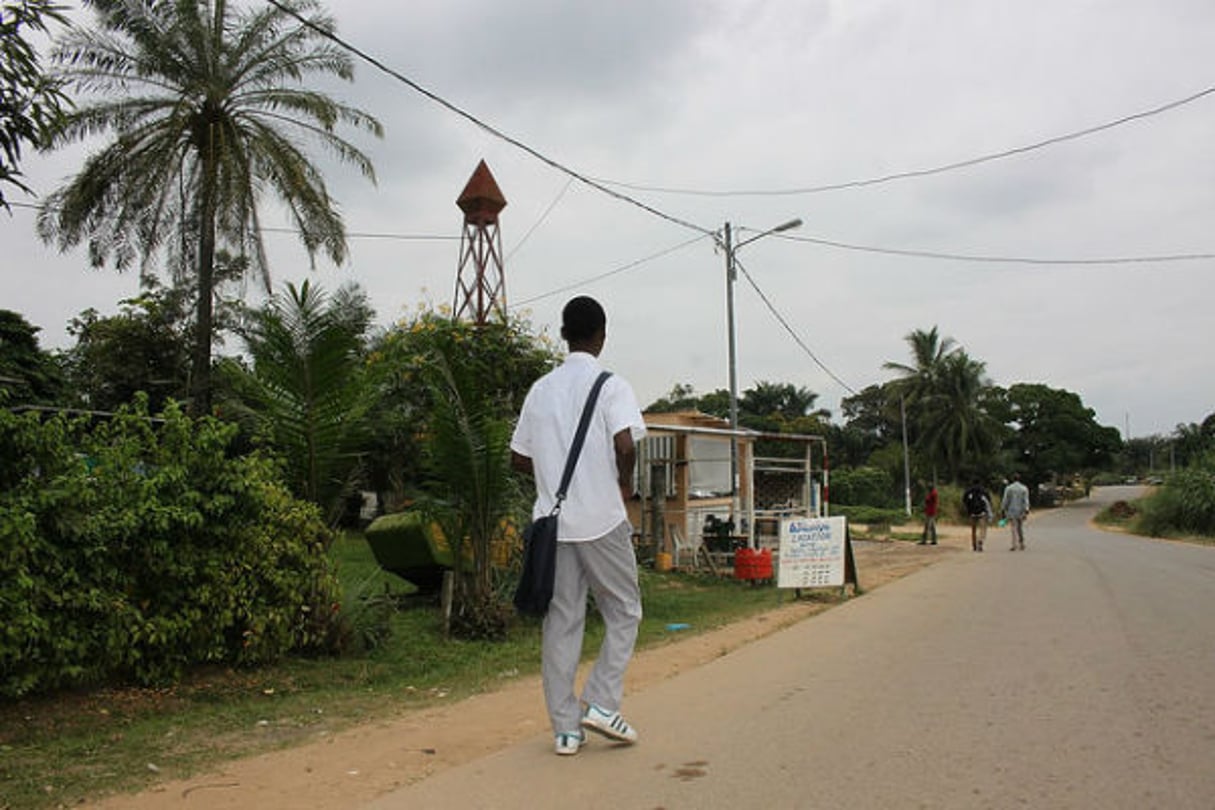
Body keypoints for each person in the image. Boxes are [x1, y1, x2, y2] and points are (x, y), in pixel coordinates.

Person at [510, 296, 647, 757]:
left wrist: (552, 478)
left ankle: (566, 730)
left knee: (562, 622)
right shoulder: (612, 386)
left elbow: (517, 458)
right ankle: (603, 702)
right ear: (601, 335)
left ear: (564, 334)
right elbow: (625, 445)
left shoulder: (540, 390)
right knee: (624, 609)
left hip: (554, 524)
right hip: (602, 521)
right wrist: (623, 484)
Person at [1001, 472, 1031, 550]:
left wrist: (1003, 508)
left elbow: (1005, 500)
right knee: (1020, 527)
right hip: (1021, 510)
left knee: (1013, 527)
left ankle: (1014, 544)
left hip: (1011, 510)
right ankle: (1021, 543)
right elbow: (1026, 500)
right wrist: (1026, 509)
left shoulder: (1009, 488)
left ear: (1012, 479)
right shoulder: (1024, 488)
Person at [962, 479, 991, 551]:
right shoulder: (984, 490)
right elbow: (988, 500)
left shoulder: (968, 491)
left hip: (972, 513)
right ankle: (980, 540)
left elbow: (964, 500)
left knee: (973, 529)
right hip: (982, 512)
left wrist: (968, 510)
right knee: (982, 528)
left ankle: (974, 545)